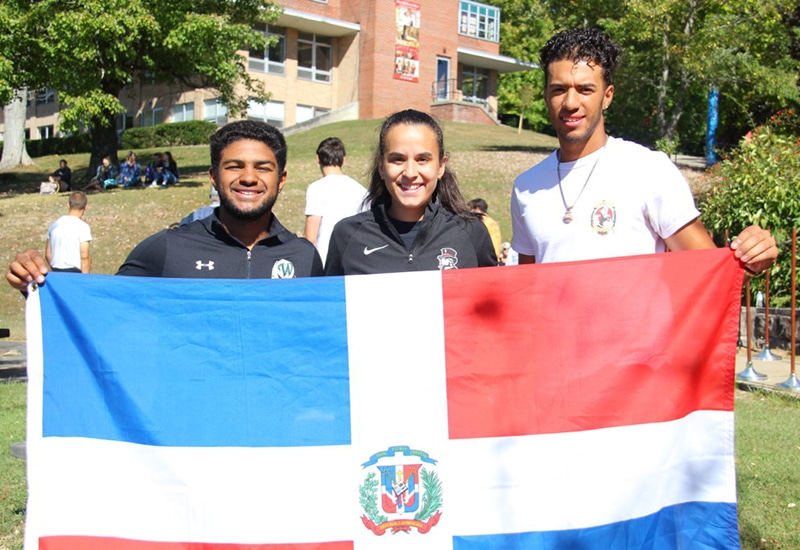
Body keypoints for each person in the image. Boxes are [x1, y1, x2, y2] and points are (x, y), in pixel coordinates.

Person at [510, 28, 777, 274]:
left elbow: (707, 268)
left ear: (607, 96)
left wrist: (751, 259)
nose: (570, 102)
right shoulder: (526, 188)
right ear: (546, 95)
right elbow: (529, 290)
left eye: (585, 89)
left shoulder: (648, 170)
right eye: (559, 90)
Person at [7, 120, 323, 287]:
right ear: (213, 176)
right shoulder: (167, 248)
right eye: (234, 166)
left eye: (263, 168)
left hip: (275, 409)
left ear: (281, 179)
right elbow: (98, 310)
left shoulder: (305, 257)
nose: (249, 178)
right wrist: (37, 283)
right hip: (187, 408)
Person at [324, 109, 496, 275]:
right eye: (398, 160)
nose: (410, 173)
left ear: (441, 166)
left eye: (422, 160)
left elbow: (497, 298)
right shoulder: (347, 235)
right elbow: (330, 303)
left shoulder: (471, 232)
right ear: (381, 167)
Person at [303, 137, 368, 266]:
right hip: (355, 260)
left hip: (324, 262)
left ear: (318, 159)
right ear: (344, 159)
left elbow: (311, 238)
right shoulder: (361, 190)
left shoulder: (316, 189)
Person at [45, 191, 92, 274]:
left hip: (55, 270)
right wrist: (85, 278)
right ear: (86, 207)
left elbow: (48, 254)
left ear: (68, 205)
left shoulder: (54, 225)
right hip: (74, 272)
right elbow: (84, 256)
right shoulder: (83, 227)